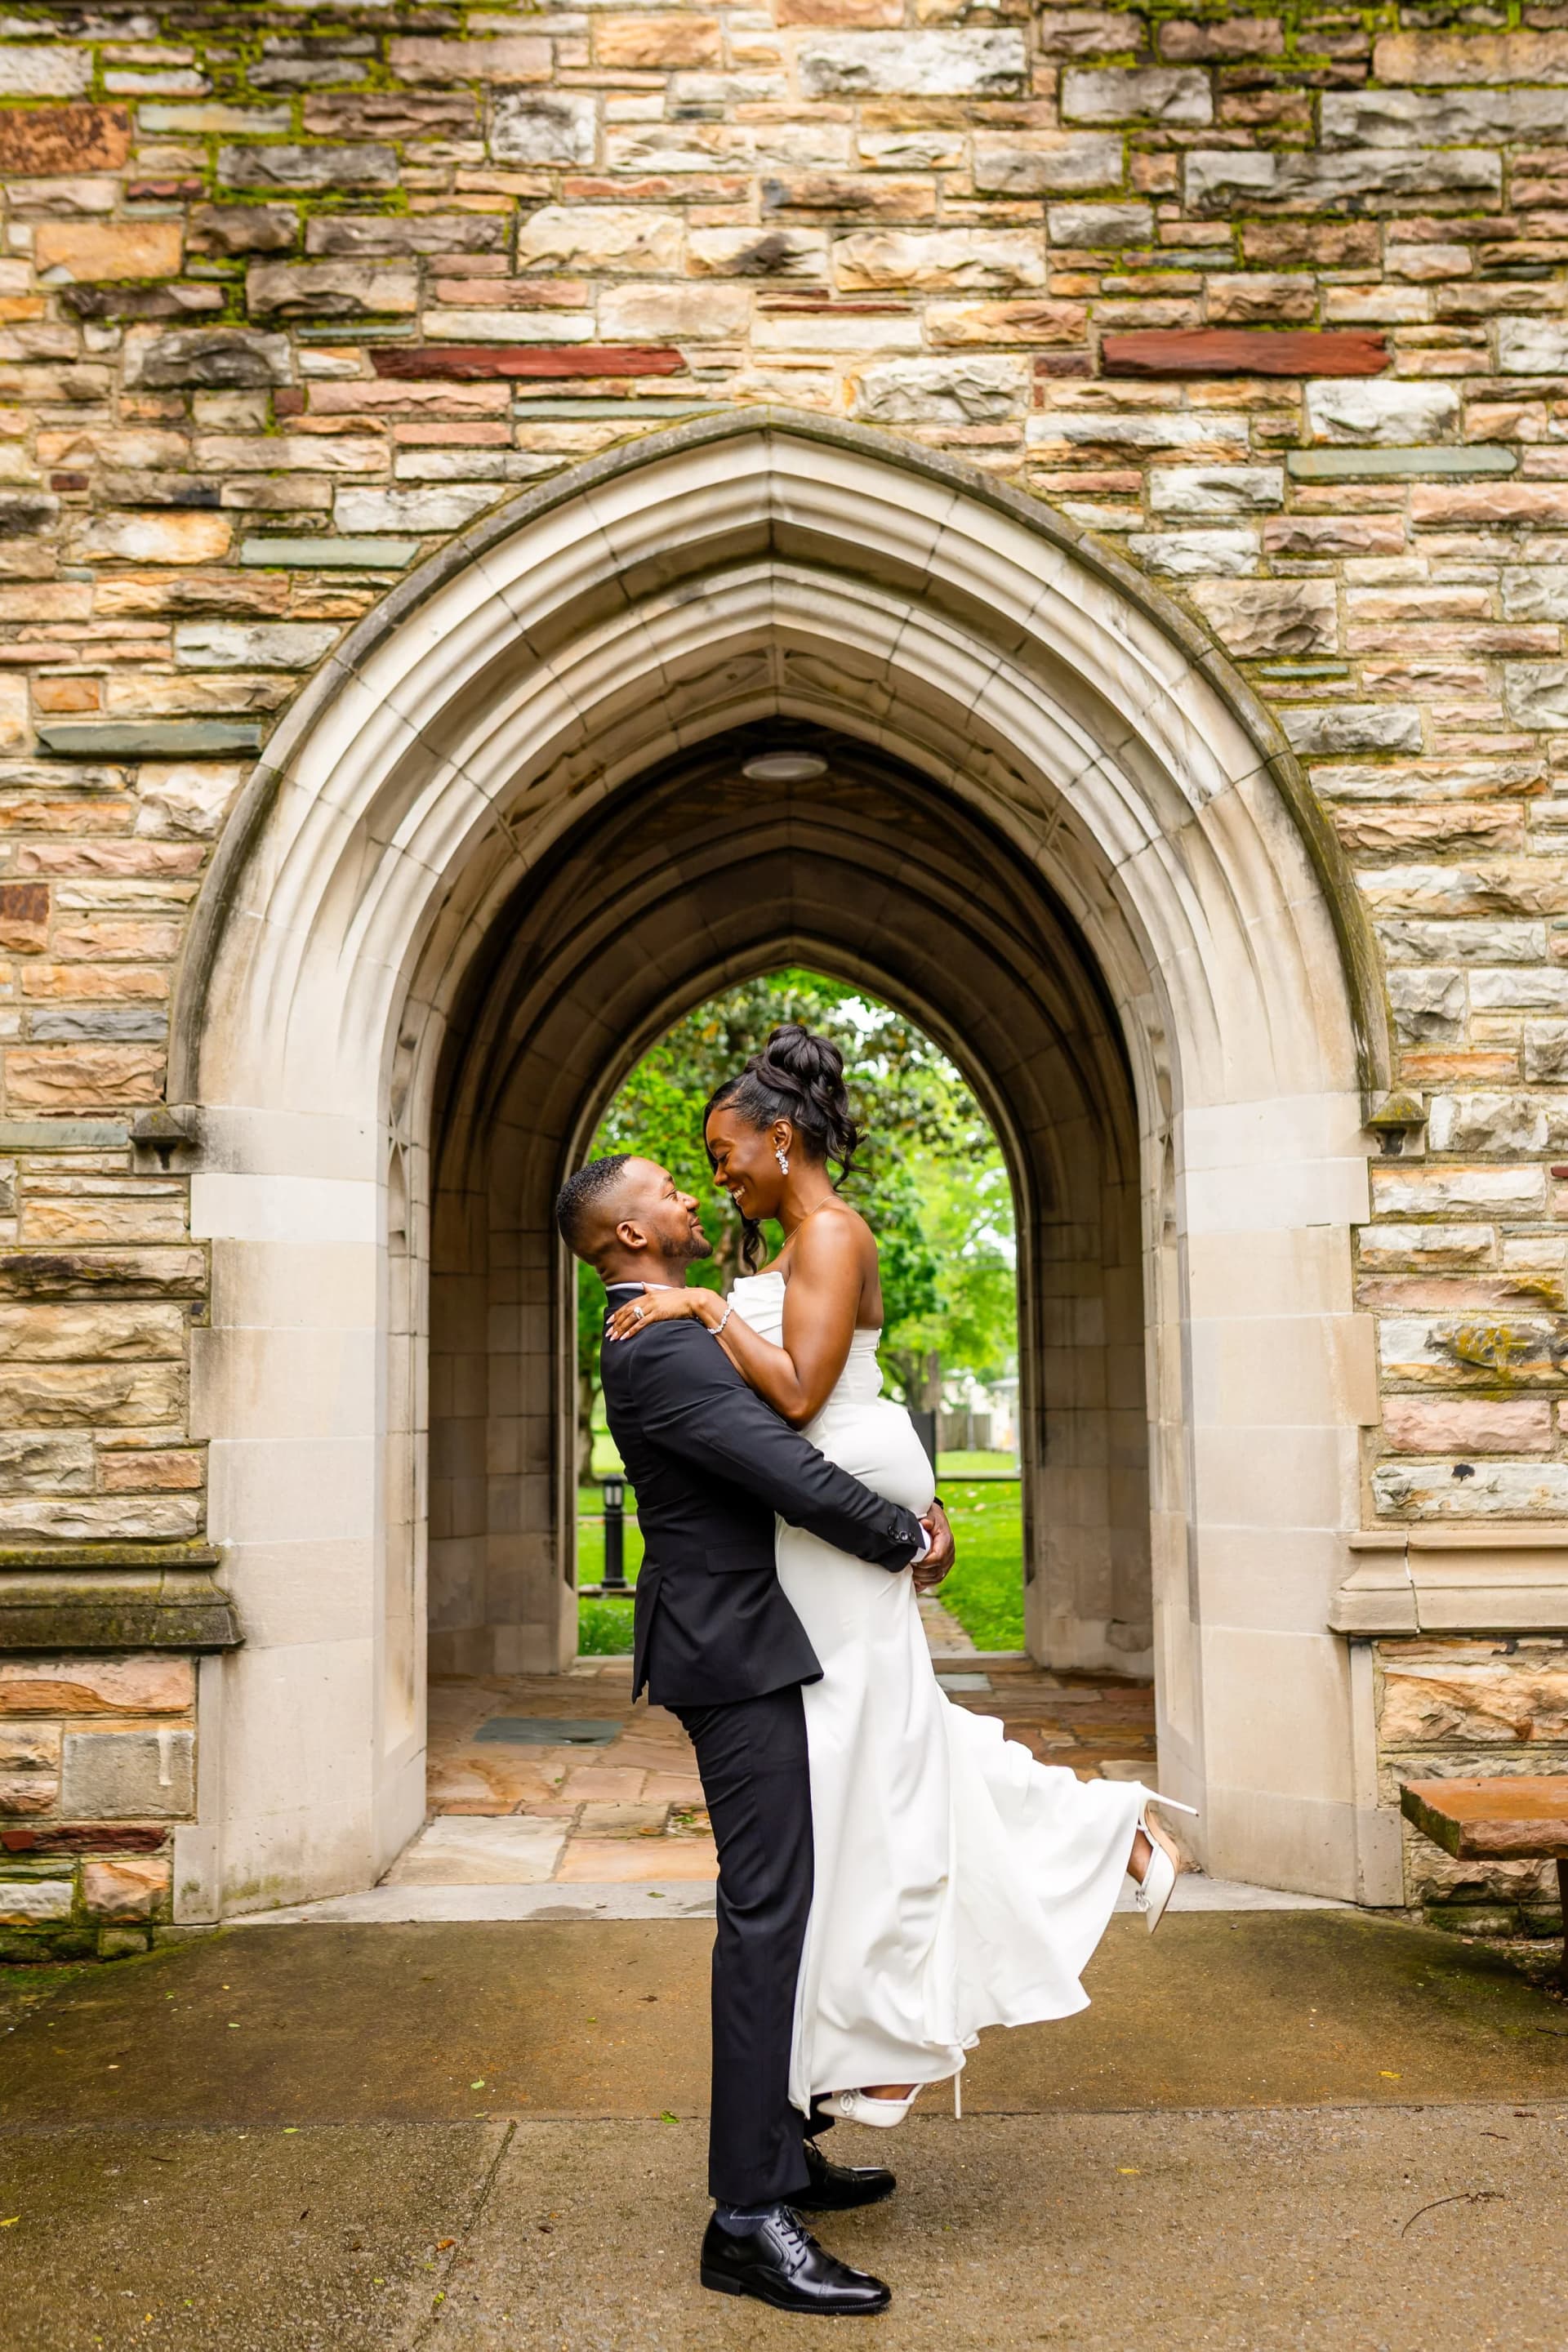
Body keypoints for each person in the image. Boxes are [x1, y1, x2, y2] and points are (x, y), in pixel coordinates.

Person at [604, 1023, 1195, 2136]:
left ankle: (896, 2032)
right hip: (823, 1517)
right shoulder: (778, 1248)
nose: (717, 1173)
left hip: (837, 1515)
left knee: (873, 1754)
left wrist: (704, 1308)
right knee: (887, 1739)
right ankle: (1094, 1844)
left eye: (726, 1152)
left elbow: (792, 1398)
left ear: (783, 1140)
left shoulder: (830, 1234)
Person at [555, 1152, 956, 2317]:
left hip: (749, 1637)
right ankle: (744, 2216)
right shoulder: (661, 1341)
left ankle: (784, 2154)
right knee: (769, 1914)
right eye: (668, 1192)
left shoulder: (673, 1327)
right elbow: (783, 1466)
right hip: (730, 1652)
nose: (690, 1199)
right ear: (629, 1235)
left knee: (796, 1898)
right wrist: (903, 1536)